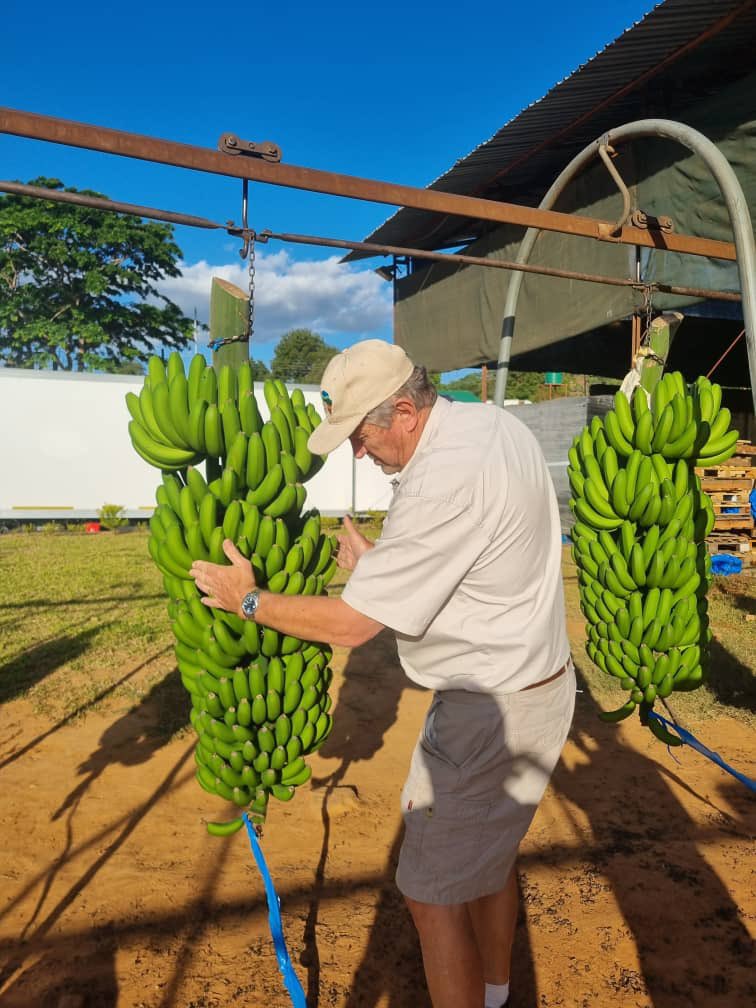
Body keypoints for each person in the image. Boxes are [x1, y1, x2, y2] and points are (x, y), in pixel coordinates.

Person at [190, 339, 576, 1008]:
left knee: (430, 894)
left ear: (403, 411)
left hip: (489, 714)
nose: (357, 453)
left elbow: (352, 627)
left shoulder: (440, 482)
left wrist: (247, 601)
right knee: (488, 865)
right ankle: (495, 994)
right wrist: (381, 566)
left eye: (360, 437)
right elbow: (472, 559)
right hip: (538, 684)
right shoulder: (489, 424)